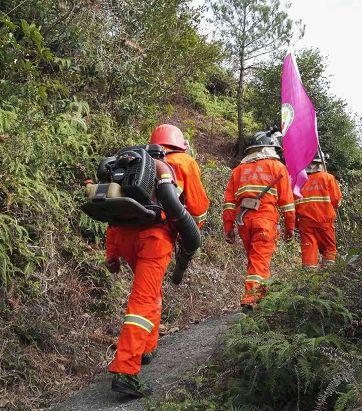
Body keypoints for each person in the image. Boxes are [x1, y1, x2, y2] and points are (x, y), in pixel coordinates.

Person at [104, 124, 209, 397]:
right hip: (154, 238)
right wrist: (191, 234)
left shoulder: (136, 162)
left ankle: (145, 349)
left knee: (151, 292)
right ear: (180, 144)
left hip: (125, 237)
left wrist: (111, 253)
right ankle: (126, 370)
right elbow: (197, 207)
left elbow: (115, 211)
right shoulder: (182, 162)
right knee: (143, 300)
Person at [222, 131, 295, 312]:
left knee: (254, 260)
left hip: (243, 222)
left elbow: (229, 203)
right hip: (265, 220)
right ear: (270, 148)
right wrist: (290, 227)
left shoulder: (238, 171)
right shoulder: (277, 168)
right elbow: (287, 203)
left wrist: (228, 228)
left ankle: (258, 298)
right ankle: (252, 300)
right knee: (259, 261)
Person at [295, 153, 342, 269]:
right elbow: (336, 200)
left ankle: (309, 279)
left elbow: (293, 203)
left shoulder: (299, 180)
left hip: (305, 223)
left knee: (309, 250)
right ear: (321, 163)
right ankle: (328, 275)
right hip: (324, 222)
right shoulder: (328, 177)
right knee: (329, 249)